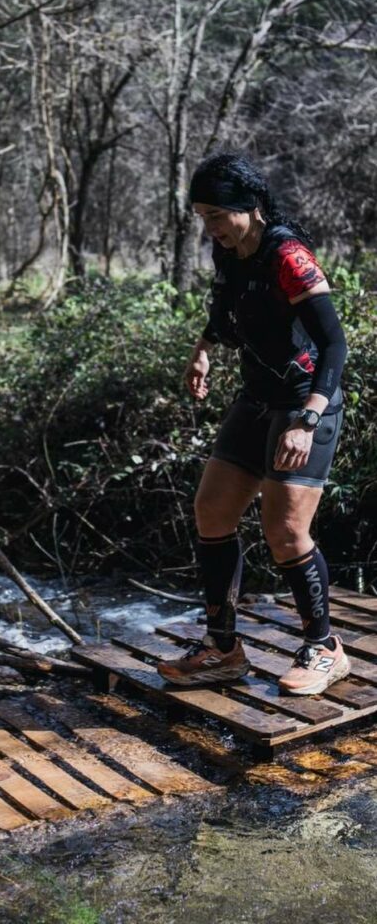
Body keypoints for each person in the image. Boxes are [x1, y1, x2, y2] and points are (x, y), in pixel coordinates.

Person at [157, 152, 350, 696]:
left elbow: (334, 344)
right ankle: (222, 649)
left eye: (217, 215)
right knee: (212, 511)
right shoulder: (230, 252)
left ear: (251, 207)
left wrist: (307, 420)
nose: (210, 227)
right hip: (258, 398)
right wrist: (203, 348)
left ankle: (325, 648)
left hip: (306, 402)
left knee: (284, 531)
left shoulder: (288, 256)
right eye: (203, 217)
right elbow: (226, 311)